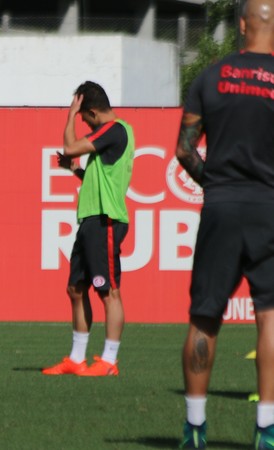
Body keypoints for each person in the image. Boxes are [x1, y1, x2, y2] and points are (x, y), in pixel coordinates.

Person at [176, 1, 274, 447]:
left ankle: (195, 428)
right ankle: (266, 431)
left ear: (240, 24)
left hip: (220, 205)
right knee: (270, 318)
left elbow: (184, 150)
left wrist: (213, 181)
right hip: (268, 208)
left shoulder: (209, 77)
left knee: (204, 316)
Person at [41, 81, 134, 377]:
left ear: (92, 112)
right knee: (76, 289)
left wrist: (69, 116)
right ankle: (77, 359)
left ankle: (109, 362)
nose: (81, 121)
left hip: (105, 219)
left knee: (108, 292)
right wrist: (75, 170)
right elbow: (100, 176)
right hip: (91, 220)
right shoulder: (112, 135)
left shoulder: (115, 129)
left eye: (83, 117)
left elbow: (70, 146)